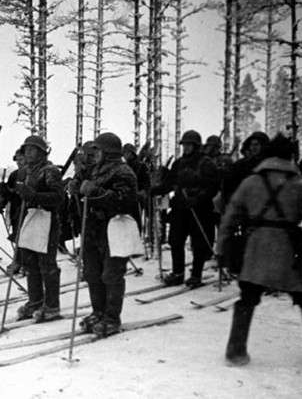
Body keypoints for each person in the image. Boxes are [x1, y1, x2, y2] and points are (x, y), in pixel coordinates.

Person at [217, 134, 302, 366]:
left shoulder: (252, 182)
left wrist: (221, 246)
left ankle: (235, 352)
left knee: (247, 298)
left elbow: (230, 216)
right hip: (289, 251)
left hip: (256, 249)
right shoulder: (299, 184)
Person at [74, 133, 138, 337]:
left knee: (111, 275)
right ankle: (98, 312)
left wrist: (93, 191)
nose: (94, 155)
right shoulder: (94, 171)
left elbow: (123, 200)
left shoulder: (123, 172)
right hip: (94, 228)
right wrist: (76, 187)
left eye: (98, 150)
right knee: (92, 273)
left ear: (109, 152)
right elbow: (84, 189)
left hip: (115, 229)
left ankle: (112, 318)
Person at [150, 130, 219, 288]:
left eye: (190, 145)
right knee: (175, 240)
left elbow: (213, 187)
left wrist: (197, 199)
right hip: (181, 208)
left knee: (199, 243)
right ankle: (178, 273)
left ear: (196, 146)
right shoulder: (179, 163)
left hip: (200, 209)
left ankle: (196, 275)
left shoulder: (206, 163)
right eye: (185, 144)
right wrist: (157, 190)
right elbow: (169, 182)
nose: (186, 147)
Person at [14, 135, 65, 322]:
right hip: (31, 218)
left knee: (47, 264)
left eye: (32, 149)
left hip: (47, 219)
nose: (27, 153)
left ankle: (52, 305)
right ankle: (35, 301)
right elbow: (25, 195)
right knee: (30, 262)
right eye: (26, 149)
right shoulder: (25, 172)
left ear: (42, 152)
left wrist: (35, 196)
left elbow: (58, 197)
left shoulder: (50, 171)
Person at [0, 148, 25, 274]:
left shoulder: (32, 173)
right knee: (17, 236)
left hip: (29, 211)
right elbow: (9, 192)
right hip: (15, 210)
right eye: (17, 160)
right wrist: (3, 195)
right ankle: (18, 261)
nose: (19, 162)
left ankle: (26, 263)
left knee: (26, 237)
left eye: (21, 160)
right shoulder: (14, 175)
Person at [123, 143, 149, 230]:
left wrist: (143, 192)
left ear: (132, 153)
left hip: (137, 198)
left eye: (127, 152)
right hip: (125, 198)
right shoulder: (123, 167)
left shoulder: (142, 166)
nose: (125, 155)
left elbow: (147, 182)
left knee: (135, 222)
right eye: (124, 153)